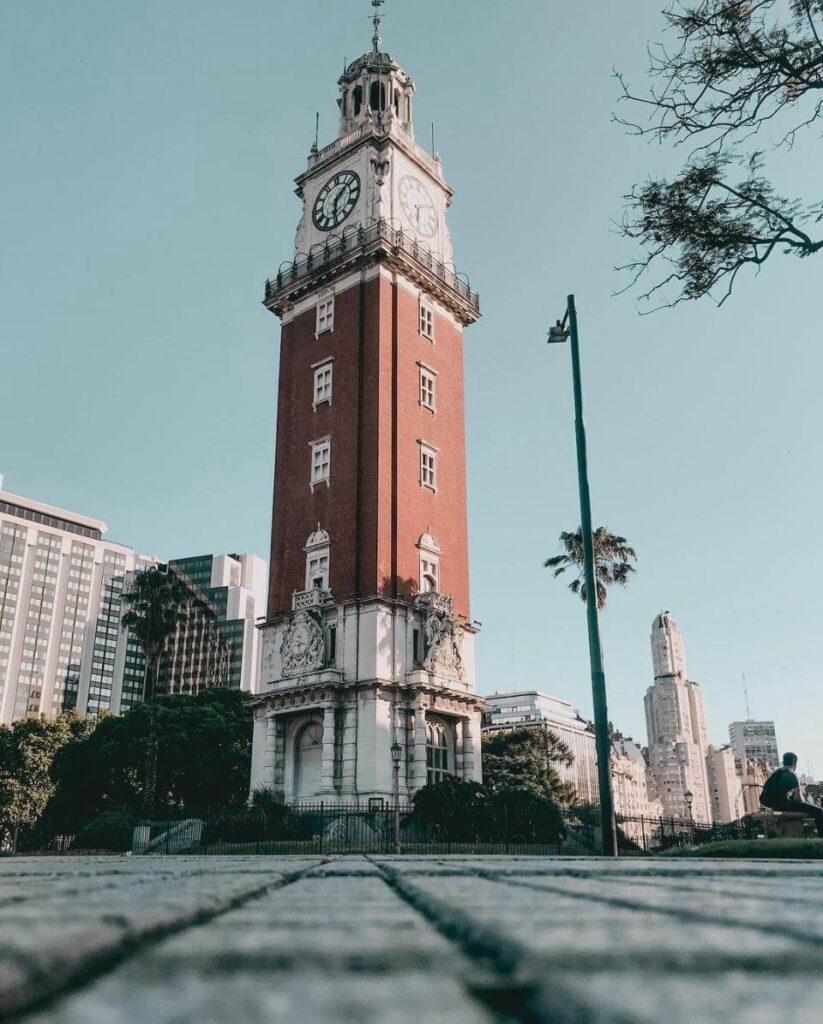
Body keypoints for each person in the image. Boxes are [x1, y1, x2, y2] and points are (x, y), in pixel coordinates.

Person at [760, 752, 823, 837]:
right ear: (794, 762)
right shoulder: (791, 774)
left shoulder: (776, 773)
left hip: (775, 806)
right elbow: (798, 798)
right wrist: (807, 805)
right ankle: (821, 837)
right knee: (820, 811)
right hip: (786, 805)